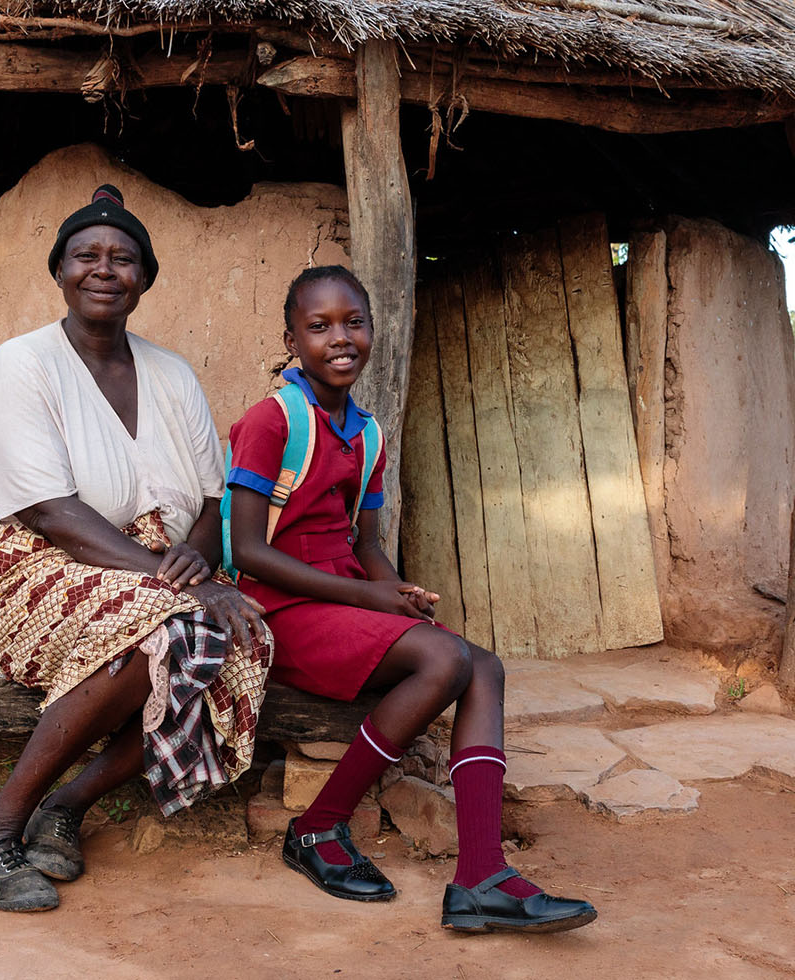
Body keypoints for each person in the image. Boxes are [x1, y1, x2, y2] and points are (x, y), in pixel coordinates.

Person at [224, 265, 596, 934]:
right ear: (291, 339)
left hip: (344, 599)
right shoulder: (271, 422)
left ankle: (482, 875)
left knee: (483, 665)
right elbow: (247, 550)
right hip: (278, 609)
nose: (340, 338)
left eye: (354, 322)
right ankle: (317, 826)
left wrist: (394, 590)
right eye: (319, 326)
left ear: (373, 329)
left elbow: (364, 540)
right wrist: (368, 596)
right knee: (445, 661)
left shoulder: (368, 436)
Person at [0, 184, 272, 913]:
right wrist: (179, 583)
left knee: (240, 638)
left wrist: (196, 560)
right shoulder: (23, 362)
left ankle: (68, 804)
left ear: (145, 278)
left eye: (123, 258)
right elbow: (49, 511)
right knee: (158, 631)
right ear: (60, 270)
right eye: (87, 255)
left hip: (158, 565)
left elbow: (207, 497)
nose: (105, 269)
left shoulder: (172, 373)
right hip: (34, 562)